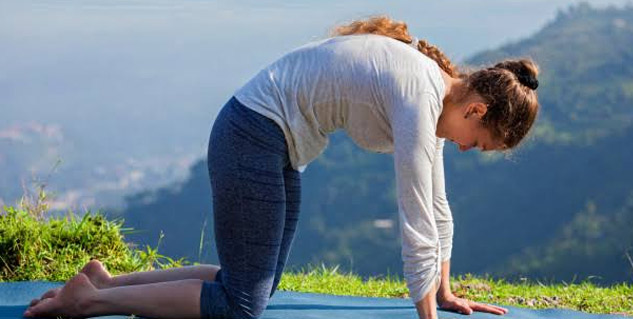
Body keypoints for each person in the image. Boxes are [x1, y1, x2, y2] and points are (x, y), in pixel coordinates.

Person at [24, 16, 539, 319]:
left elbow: (436, 203)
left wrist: (443, 292)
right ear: (477, 110)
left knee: (253, 287)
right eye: (482, 142)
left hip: (270, 142)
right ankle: (89, 302)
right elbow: (414, 211)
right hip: (251, 135)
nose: (471, 150)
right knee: (241, 306)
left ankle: (105, 283)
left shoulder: (431, 93)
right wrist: (425, 306)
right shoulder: (419, 97)